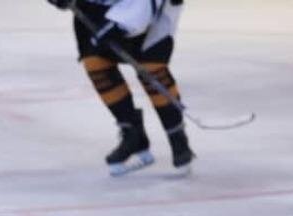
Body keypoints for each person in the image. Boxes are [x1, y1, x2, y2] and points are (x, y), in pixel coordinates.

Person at [48, 0, 194, 176]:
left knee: (151, 67)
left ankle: (177, 136)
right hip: (97, 6)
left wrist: (121, 24)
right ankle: (133, 134)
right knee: (95, 62)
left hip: (148, 10)